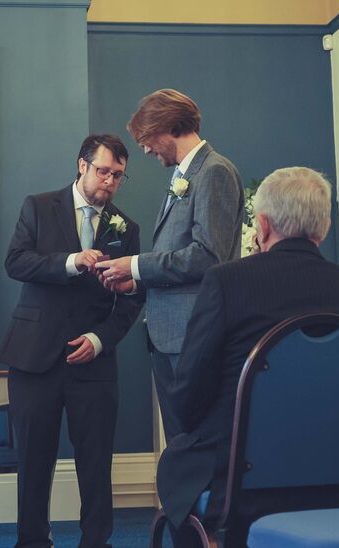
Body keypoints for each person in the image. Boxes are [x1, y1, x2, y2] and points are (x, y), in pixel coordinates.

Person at [157, 167, 339, 547]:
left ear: (262, 225)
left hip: (239, 490)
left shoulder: (226, 282)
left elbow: (188, 394)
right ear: (325, 227)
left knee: (180, 466)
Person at [1, 134, 144, 548]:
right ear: (82, 165)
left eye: (118, 175)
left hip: (93, 360)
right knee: (33, 461)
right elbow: (16, 262)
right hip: (34, 357)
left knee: (96, 464)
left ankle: (96, 542)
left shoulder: (126, 228)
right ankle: (32, 541)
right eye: (103, 171)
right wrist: (71, 261)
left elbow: (133, 299)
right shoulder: (38, 206)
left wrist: (100, 340)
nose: (110, 182)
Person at [97, 89, 243, 441]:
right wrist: (136, 282)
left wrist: (135, 266)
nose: (146, 150)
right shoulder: (186, 172)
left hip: (192, 335)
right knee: (181, 441)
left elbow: (208, 256)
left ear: (168, 127)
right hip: (170, 337)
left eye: (147, 139)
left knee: (197, 440)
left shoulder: (214, 171)